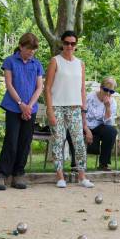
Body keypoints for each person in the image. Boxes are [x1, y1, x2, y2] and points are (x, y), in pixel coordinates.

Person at [44, 31, 94, 188]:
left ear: (76, 45)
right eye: (66, 43)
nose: (69, 46)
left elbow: (82, 89)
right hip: (57, 106)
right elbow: (47, 88)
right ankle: (60, 177)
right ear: (62, 43)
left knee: (79, 141)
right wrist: (50, 110)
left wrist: (83, 110)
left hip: (75, 107)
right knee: (58, 141)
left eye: (72, 43)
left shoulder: (80, 64)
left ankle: (82, 176)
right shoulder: (55, 61)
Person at [0, 33, 44, 189]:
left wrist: (29, 106)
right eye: (29, 48)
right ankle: (2, 174)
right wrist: (21, 104)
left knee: (25, 142)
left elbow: (39, 87)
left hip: (30, 108)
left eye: (33, 49)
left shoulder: (37, 64)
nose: (31, 52)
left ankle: (18, 174)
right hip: (13, 107)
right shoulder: (10, 61)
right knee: (11, 141)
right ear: (21, 46)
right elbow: (9, 84)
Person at [68, 77, 118, 171]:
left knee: (111, 131)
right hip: (84, 124)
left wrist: (108, 108)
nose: (108, 93)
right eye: (106, 90)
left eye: (111, 92)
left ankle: (104, 163)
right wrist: (86, 129)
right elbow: (80, 115)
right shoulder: (89, 97)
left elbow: (108, 123)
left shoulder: (113, 103)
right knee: (71, 128)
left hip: (99, 126)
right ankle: (76, 163)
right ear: (100, 88)